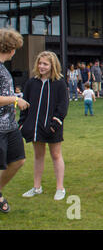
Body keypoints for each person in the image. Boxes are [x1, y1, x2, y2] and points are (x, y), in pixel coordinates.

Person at [19, 51, 69, 200]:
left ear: (52, 65)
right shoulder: (31, 83)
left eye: (45, 64)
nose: (41, 66)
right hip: (34, 127)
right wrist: (22, 124)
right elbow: (25, 105)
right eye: (40, 63)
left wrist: (54, 124)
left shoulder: (59, 83)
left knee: (56, 155)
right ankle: (36, 187)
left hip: (52, 127)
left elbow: (63, 107)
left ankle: (60, 188)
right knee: (38, 156)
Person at [0, 28, 30, 213]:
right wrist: (15, 99)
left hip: (10, 125)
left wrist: (14, 96)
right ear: (10, 48)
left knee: (18, 160)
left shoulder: (3, 68)